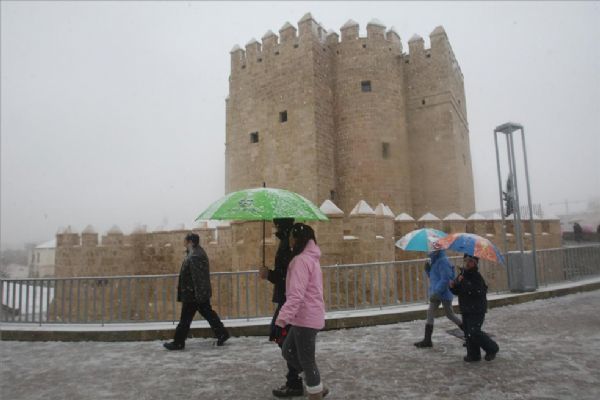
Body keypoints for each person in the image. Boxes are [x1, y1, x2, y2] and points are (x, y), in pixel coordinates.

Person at [275, 223, 328, 400]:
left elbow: (296, 295)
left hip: (306, 317)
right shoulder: (308, 258)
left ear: (298, 238)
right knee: (288, 351)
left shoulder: (301, 261)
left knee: (306, 359)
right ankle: (315, 383)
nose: (289, 239)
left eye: (291, 235)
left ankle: (315, 392)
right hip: (304, 317)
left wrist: (281, 320)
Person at [259, 218, 304, 398]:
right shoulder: (287, 242)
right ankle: (298, 376)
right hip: (288, 299)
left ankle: (300, 376)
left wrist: (268, 274)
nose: (273, 226)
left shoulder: (287, 245)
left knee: (283, 338)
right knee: (287, 340)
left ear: (280, 225)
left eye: (275, 223)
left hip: (288, 300)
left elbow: (286, 276)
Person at [163, 233, 230, 350]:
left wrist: (198, 295)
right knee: (207, 314)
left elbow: (198, 278)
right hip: (195, 294)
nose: (184, 243)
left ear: (191, 242)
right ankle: (222, 333)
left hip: (194, 295)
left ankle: (178, 342)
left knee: (186, 319)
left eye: (185, 241)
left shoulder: (195, 256)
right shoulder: (194, 253)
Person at [449, 254, 499, 362]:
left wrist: (464, 282)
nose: (467, 263)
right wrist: (452, 286)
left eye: (470, 261)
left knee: (474, 331)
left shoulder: (477, 276)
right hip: (466, 308)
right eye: (466, 260)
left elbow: (477, 291)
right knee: (468, 332)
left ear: (475, 263)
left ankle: (492, 348)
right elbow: (458, 291)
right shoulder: (462, 274)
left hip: (477, 309)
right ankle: (473, 355)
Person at [414, 245, 463, 348]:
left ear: (438, 250)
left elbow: (445, 279)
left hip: (443, 292)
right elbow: (435, 277)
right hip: (438, 292)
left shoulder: (443, 261)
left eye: (433, 249)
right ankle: (427, 340)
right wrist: (428, 270)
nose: (430, 251)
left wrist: (436, 292)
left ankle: (468, 332)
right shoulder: (436, 261)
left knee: (450, 314)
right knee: (432, 313)